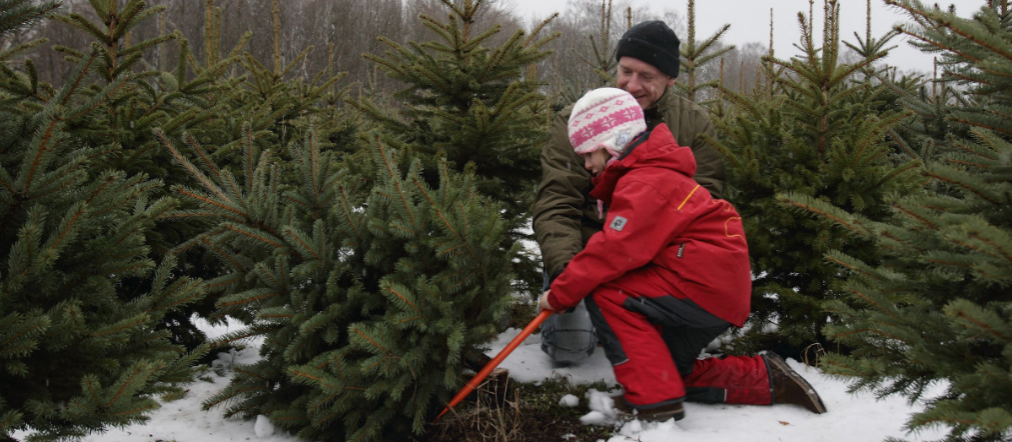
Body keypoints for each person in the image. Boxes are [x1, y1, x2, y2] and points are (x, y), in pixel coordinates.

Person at [536, 87, 827, 422]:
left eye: (588, 154)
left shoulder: (645, 182)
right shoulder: (650, 174)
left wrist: (559, 295)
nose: (586, 164)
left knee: (607, 291)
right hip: (715, 292)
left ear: (611, 142)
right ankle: (767, 379)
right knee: (665, 371)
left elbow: (611, 252)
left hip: (699, 287)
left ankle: (654, 404)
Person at [532, 20, 725, 364]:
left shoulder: (693, 124)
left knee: (662, 354)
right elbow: (556, 203)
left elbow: (704, 203)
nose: (632, 85)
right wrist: (566, 275)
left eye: (647, 77)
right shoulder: (577, 121)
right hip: (586, 251)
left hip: (656, 257)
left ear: (670, 80)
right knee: (569, 349)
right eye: (625, 71)